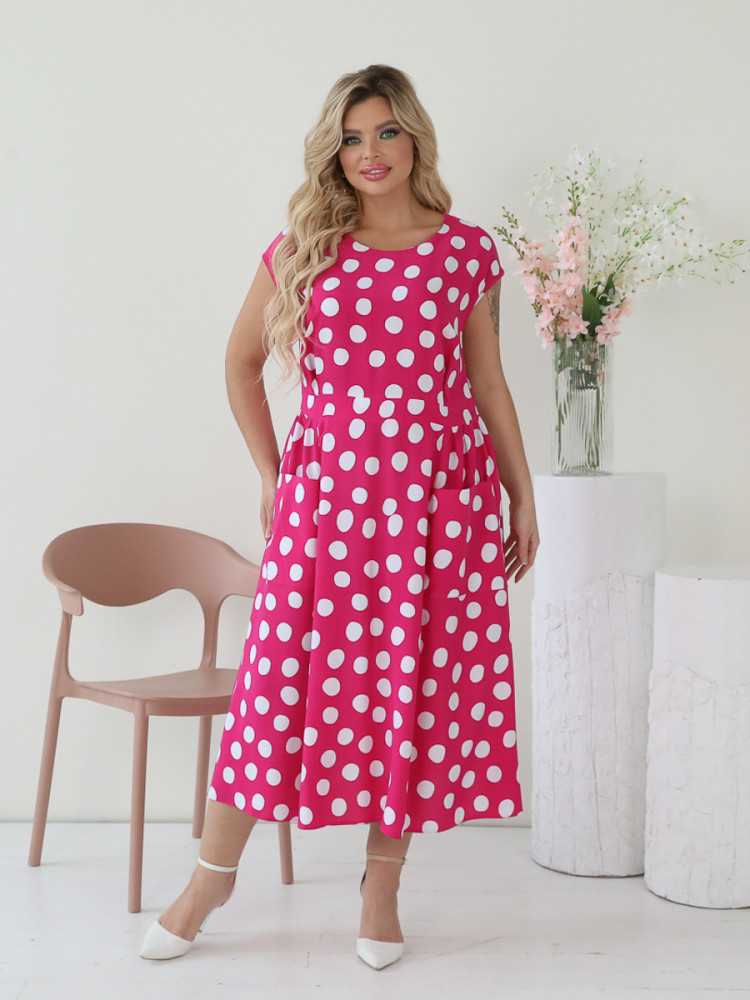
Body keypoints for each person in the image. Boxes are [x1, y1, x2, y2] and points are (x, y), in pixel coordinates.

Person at [140, 63, 539, 970]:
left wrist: (523, 493)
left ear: (415, 138)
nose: (370, 153)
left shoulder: (466, 253)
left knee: (412, 688)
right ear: (334, 150)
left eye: (387, 132)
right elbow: (240, 364)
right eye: (352, 137)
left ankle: (381, 883)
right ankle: (211, 879)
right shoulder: (304, 248)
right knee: (275, 687)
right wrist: (273, 473)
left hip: (438, 505)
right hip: (325, 504)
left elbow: (487, 382)